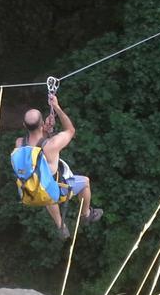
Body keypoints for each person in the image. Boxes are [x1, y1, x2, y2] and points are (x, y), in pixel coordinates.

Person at [17, 94, 102, 239]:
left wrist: (45, 131)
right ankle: (86, 215)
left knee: (44, 184)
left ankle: (60, 226)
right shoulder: (52, 145)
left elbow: (35, 146)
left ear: (24, 126)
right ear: (42, 123)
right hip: (52, 192)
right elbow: (71, 131)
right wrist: (57, 108)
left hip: (29, 192)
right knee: (85, 182)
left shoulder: (19, 144)